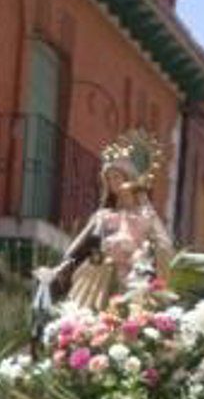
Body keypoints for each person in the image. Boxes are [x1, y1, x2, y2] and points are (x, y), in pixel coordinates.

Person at [35, 131, 174, 315]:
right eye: (109, 179)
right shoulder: (103, 215)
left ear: (130, 179)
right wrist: (61, 268)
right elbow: (79, 249)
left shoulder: (146, 215)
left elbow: (165, 246)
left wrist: (145, 253)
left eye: (117, 177)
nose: (112, 183)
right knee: (88, 315)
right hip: (99, 273)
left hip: (135, 277)